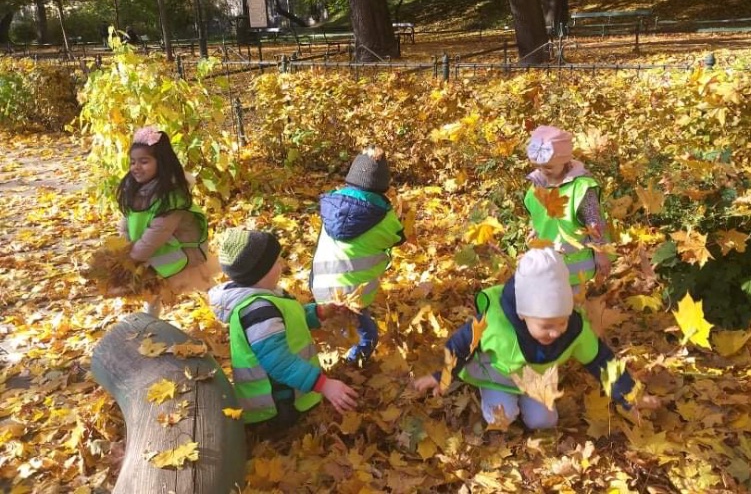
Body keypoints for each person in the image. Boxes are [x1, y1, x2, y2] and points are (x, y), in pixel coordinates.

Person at [414, 248, 658, 430]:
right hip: (497, 376)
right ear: (523, 315)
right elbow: (460, 344)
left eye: (561, 322)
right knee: (502, 417)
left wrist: (630, 394)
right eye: (546, 326)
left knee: (544, 422)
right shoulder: (494, 322)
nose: (556, 332)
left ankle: (529, 402)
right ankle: (490, 392)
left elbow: (601, 359)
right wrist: (442, 376)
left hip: (536, 380)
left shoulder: (574, 330)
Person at [208, 228, 358, 436]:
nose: (282, 264)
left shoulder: (264, 295)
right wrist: (324, 385)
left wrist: (319, 312)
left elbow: (286, 320)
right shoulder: (257, 310)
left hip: (292, 389)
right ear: (260, 273)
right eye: (276, 262)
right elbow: (279, 361)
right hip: (277, 404)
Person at [309, 146, 405, 363]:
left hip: (320, 284)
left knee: (338, 326)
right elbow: (399, 237)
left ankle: (333, 347)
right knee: (366, 337)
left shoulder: (332, 204)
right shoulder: (385, 217)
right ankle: (350, 367)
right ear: (383, 185)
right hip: (351, 297)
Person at [116, 126, 216, 317]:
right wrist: (124, 246)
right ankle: (150, 321)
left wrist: (132, 259)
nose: (136, 167)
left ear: (161, 163)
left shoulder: (171, 197)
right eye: (133, 162)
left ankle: (227, 306)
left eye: (144, 161)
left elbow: (157, 233)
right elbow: (126, 220)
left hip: (181, 251)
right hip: (151, 252)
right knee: (153, 288)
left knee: (203, 283)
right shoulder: (134, 188)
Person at [524, 125, 611, 294]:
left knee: (576, 306)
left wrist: (601, 254)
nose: (543, 171)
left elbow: (594, 222)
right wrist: (534, 229)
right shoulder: (537, 185)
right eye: (539, 167)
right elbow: (538, 215)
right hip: (547, 264)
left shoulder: (581, 187)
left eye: (549, 167)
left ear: (564, 161)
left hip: (577, 267)